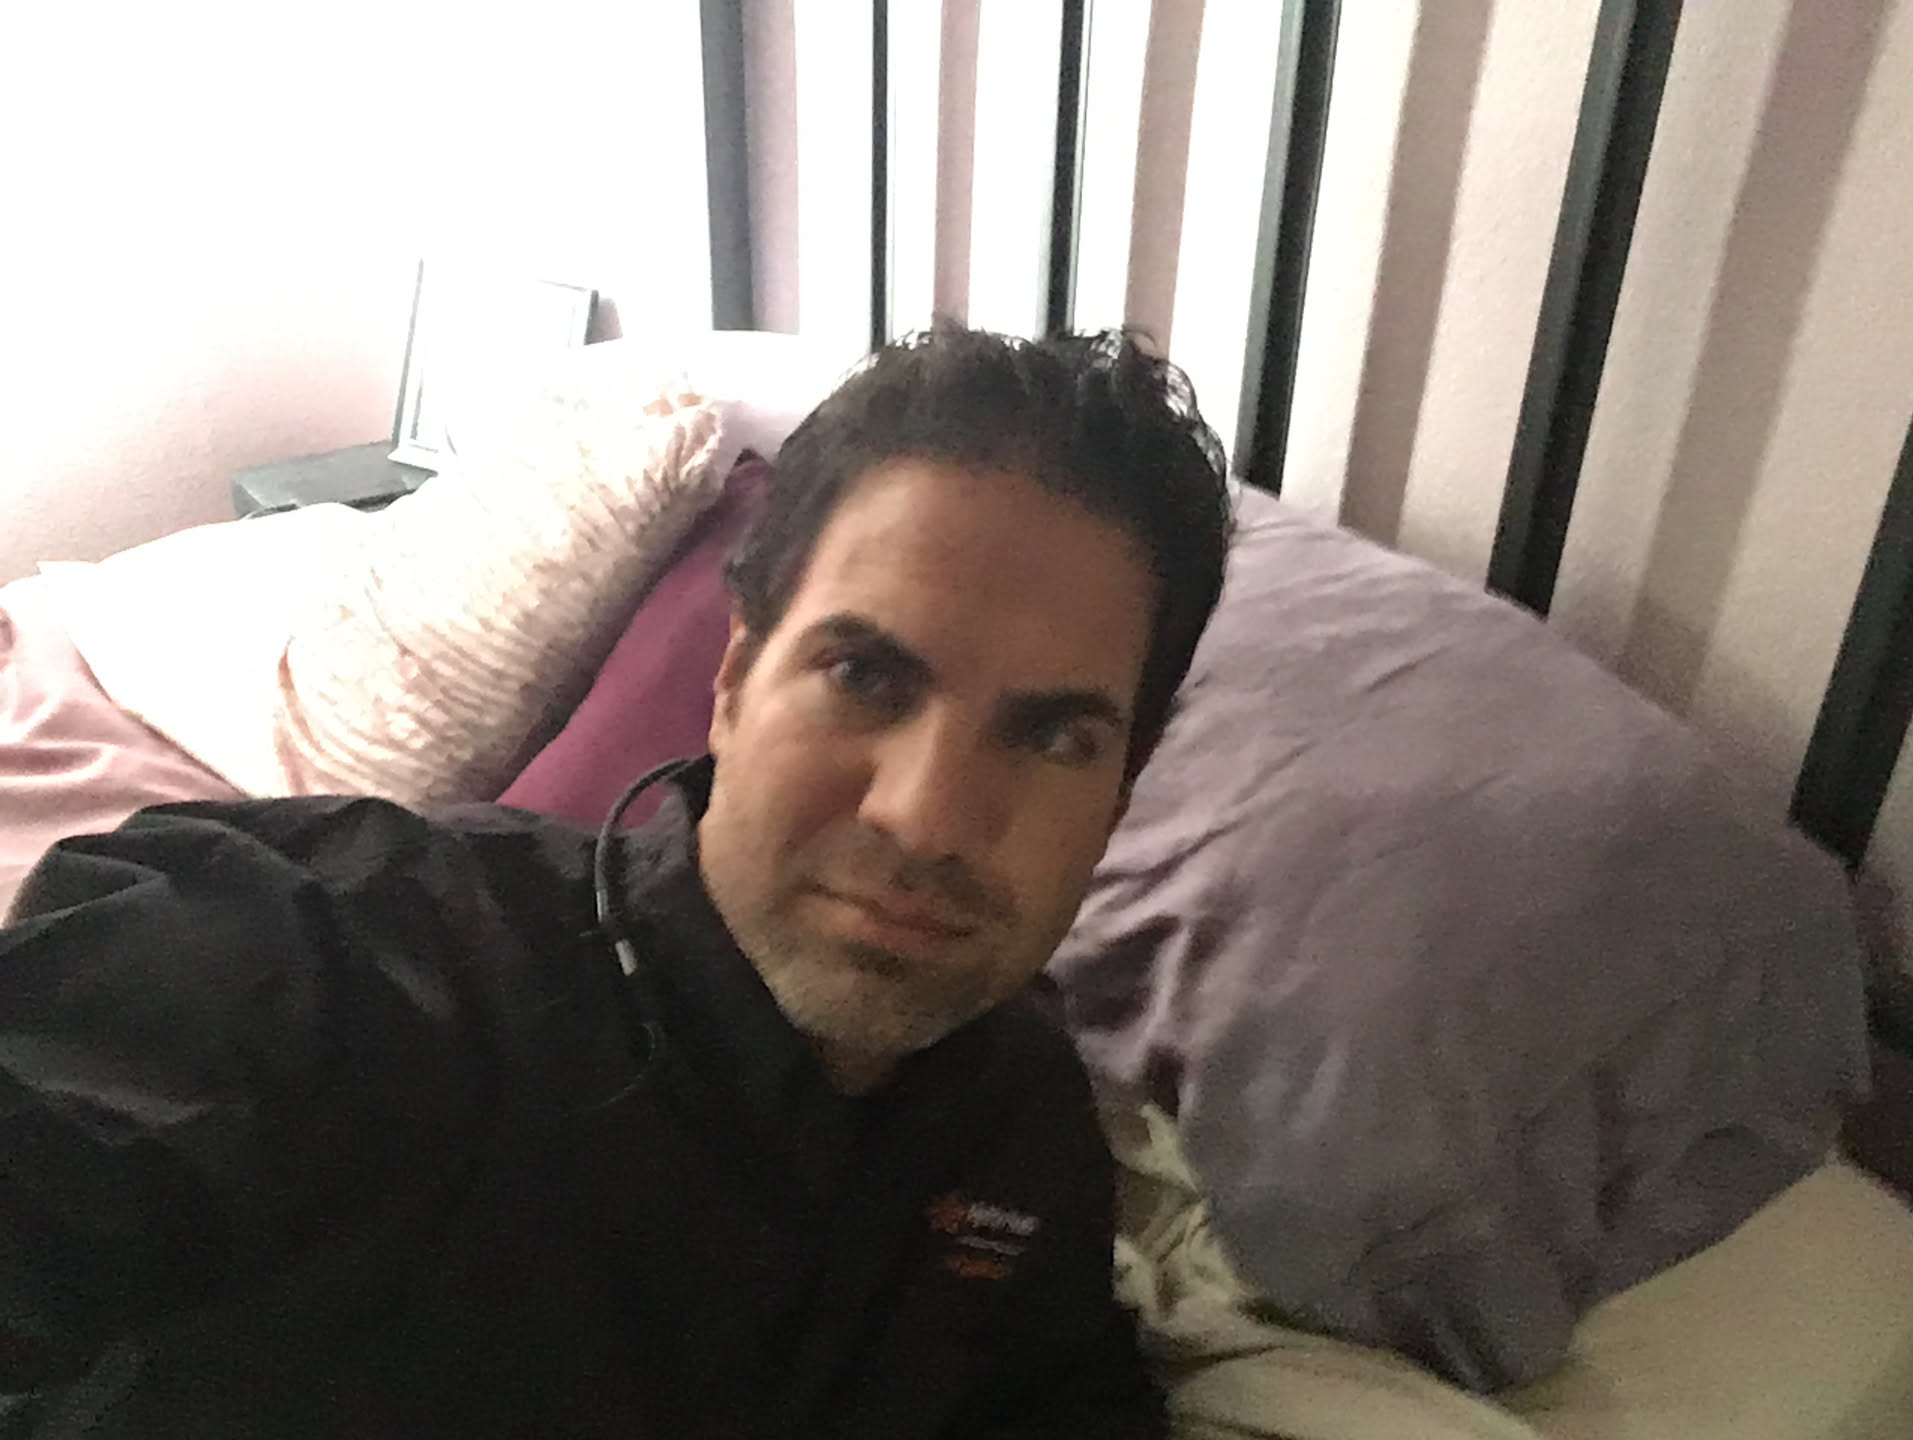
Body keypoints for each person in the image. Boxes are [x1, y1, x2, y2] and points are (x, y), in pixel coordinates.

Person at [0, 324, 1232, 1437]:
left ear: (1124, 783)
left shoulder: (1024, 1123)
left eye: (1053, 737)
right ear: (734, 679)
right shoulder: (332, 953)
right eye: (864, 677)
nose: (928, 818)